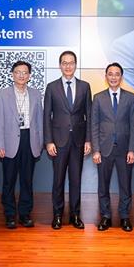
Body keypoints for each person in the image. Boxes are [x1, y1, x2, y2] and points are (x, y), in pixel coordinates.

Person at [43, 50, 92, 230]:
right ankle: (57, 214)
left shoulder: (85, 86)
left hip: (78, 141)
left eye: (71, 62)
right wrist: (48, 141)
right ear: (60, 65)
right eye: (64, 62)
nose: (68, 66)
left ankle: (75, 215)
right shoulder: (51, 87)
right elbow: (46, 115)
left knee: (76, 179)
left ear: (76, 64)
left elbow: (90, 114)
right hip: (58, 141)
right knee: (58, 180)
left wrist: (88, 140)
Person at [0, 61, 44, 229]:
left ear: (29, 76)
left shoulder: (36, 94)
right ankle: (9, 215)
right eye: (18, 72)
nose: (21, 75)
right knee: (8, 181)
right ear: (12, 74)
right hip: (9, 142)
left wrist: (40, 143)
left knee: (27, 180)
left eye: (25, 72)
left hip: (30, 140)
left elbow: (40, 121)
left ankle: (24, 214)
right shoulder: (3, 94)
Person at [91, 63, 134, 232]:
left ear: (121, 77)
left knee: (125, 185)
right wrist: (96, 150)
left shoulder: (131, 98)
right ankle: (105, 216)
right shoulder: (98, 97)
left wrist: (132, 149)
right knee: (103, 185)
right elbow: (94, 125)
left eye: (117, 74)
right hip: (104, 149)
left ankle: (125, 216)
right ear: (106, 76)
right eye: (110, 74)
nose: (113, 77)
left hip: (125, 150)